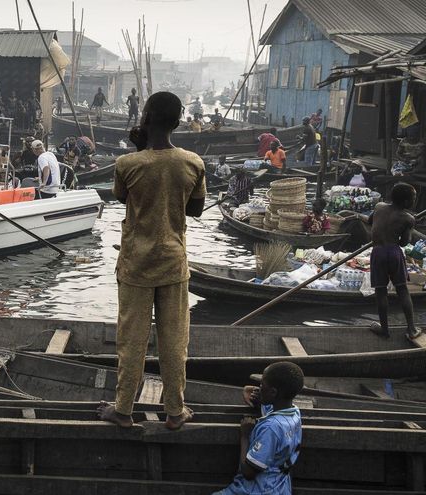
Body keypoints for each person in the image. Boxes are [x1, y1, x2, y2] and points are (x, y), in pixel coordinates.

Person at [99, 91, 205, 430]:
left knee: (131, 343)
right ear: (177, 122)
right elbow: (196, 209)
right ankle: (175, 412)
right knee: (174, 343)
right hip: (174, 263)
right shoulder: (193, 163)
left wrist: (140, 149)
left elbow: (121, 196)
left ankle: (123, 409)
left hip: (135, 265)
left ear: (145, 118)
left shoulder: (127, 164)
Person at [215, 362, 304, 495]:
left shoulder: (271, 428)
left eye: (262, 385)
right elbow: (272, 408)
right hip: (279, 487)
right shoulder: (294, 412)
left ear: (273, 392)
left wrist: (245, 435)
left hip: (258, 490)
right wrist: (258, 398)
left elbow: (248, 472)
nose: (258, 387)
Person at [367, 183, 422, 341]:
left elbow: (371, 222)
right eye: (413, 198)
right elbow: (404, 243)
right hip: (393, 252)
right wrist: (409, 227)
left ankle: (384, 329)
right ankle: (411, 329)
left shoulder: (379, 206)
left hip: (377, 252)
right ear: (405, 202)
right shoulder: (408, 218)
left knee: (380, 291)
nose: (414, 200)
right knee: (402, 290)